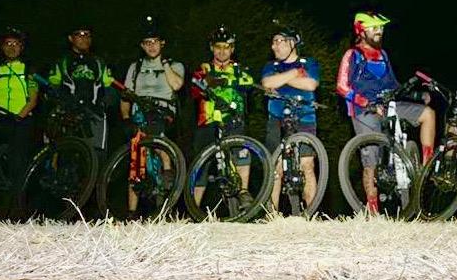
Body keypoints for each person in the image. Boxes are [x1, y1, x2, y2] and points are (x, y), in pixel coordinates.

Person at [335, 11, 436, 214]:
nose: (379, 31)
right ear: (361, 31)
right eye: (373, 27)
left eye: (380, 28)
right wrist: (365, 102)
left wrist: (416, 95)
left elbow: (393, 85)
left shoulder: (383, 56)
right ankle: (373, 211)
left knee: (428, 114)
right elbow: (342, 86)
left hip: (389, 104)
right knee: (371, 160)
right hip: (364, 110)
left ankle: (426, 166)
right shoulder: (352, 55)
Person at [119, 16, 185, 213]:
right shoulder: (135, 67)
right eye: (147, 43)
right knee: (136, 159)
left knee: (155, 136)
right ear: (142, 45)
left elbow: (176, 85)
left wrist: (164, 63)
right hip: (140, 112)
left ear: (162, 43)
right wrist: (125, 118)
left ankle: (167, 170)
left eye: (155, 42)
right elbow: (126, 96)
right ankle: (131, 212)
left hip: (163, 112)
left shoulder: (174, 65)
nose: (151, 46)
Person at [189, 25, 256, 206]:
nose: (222, 51)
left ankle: (243, 192)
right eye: (218, 46)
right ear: (212, 48)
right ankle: (193, 207)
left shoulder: (238, 69)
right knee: (201, 165)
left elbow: (249, 83)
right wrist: (208, 81)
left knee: (242, 153)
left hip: (234, 119)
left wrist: (223, 80)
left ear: (232, 49)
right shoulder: (204, 67)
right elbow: (195, 88)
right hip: (209, 120)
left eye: (226, 47)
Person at [260, 26, 321, 212]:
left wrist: (281, 80)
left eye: (279, 41)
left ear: (292, 43)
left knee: (307, 165)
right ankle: (271, 216)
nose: (274, 46)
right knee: (275, 168)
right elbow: (267, 83)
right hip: (277, 118)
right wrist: (295, 73)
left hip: (305, 117)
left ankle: (311, 214)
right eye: (273, 42)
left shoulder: (309, 63)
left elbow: (311, 84)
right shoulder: (270, 66)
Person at [0, 26, 39, 185]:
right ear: (2, 47)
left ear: (21, 47)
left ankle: (17, 198)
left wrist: (19, 117)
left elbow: (33, 98)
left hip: (20, 120)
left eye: (16, 44)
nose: (11, 47)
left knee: (17, 161)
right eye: (8, 43)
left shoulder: (28, 68)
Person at [47, 23, 114, 153]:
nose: (84, 38)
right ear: (71, 38)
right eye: (79, 35)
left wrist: (104, 104)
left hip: (95, 114)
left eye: (87, 35)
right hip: (70, 115)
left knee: (97, 154)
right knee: (67, 155)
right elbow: (52, 86)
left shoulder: (99, 61)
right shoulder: (63, 61)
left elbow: (108, 87)